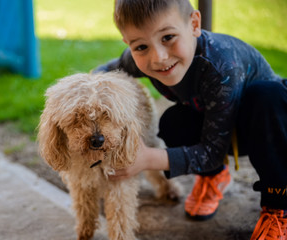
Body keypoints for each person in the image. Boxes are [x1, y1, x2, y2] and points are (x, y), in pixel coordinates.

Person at [94, 0, 287, 239]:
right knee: (173, 122)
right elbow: (104, 72)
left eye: (168, 37)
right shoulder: (138, 58)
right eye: (141, 46)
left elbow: (212, 151)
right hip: (219, 122)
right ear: (129, 44)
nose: (159, 57)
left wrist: (147, 159)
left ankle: (278, 205)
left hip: (270, 127)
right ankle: (214, 177)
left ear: (194, 24)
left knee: (267, 97)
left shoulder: (220, 64)